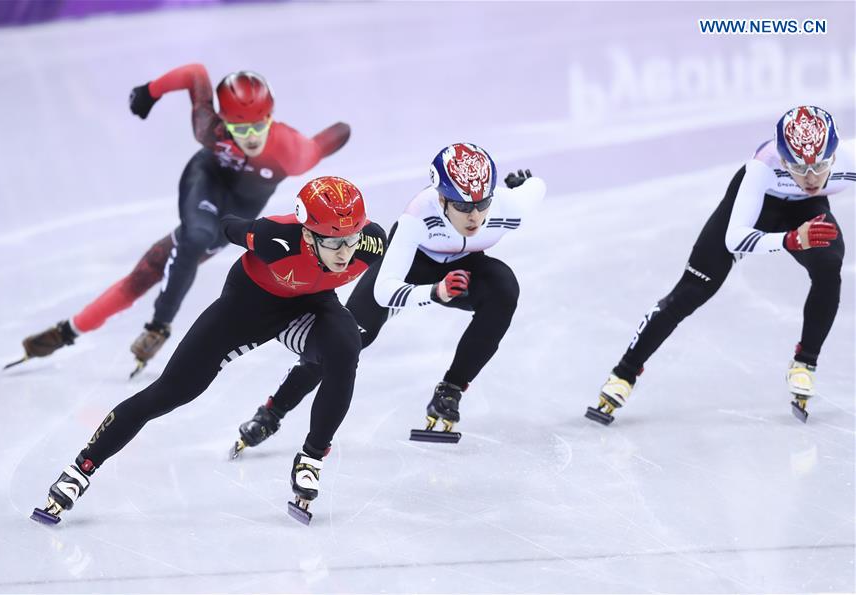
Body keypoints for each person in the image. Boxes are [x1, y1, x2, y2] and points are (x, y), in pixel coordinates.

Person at [31, 176, 388, 526]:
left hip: (311, 308)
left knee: (346, 347)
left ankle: (311, 458)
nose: (345, 252)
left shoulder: (371, 244)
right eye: (333, 242)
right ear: (308, 235)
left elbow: (380, 289)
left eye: (351, 239)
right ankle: (81, 468)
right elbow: (229, 225)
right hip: (246, 309)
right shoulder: (273, 238)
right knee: (170, 392)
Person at [10, 63, 351, 376]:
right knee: (195, 237)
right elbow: (195, 74)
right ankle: (158, 326)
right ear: (224, 121)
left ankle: (68, 330)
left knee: (150, 269)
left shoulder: (292, 151)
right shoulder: (210, 129)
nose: (249, 136)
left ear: (271, 116)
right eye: (238, 127)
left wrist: (338, 131)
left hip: (235, 213)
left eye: (258, 125)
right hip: (204, 181)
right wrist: (150, 91)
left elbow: (328, 140)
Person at [230, 142, 546, 454]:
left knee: (504, 288)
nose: (474, 216)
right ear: (440, 198)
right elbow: (384, 290)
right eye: (463, 206)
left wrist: (523, 185)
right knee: (348, 341)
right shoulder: (418, 216)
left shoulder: (510, 208)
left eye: (482, 204)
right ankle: (273, 410)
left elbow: (536, 187)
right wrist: (434, 293)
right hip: (411, 265)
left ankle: (450, 390)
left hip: (466, 266)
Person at [586, 105, 852, 426]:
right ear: (783, 160)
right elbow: (735, 240)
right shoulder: (761, 169)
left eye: (820, 166)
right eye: (798, 168)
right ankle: (623, 375)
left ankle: (805, 364)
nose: (810, 178)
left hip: (805, 211)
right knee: (692, 290)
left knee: (828, 268)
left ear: (835, 156)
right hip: (754, 206)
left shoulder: (847, 162)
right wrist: (789, 240)